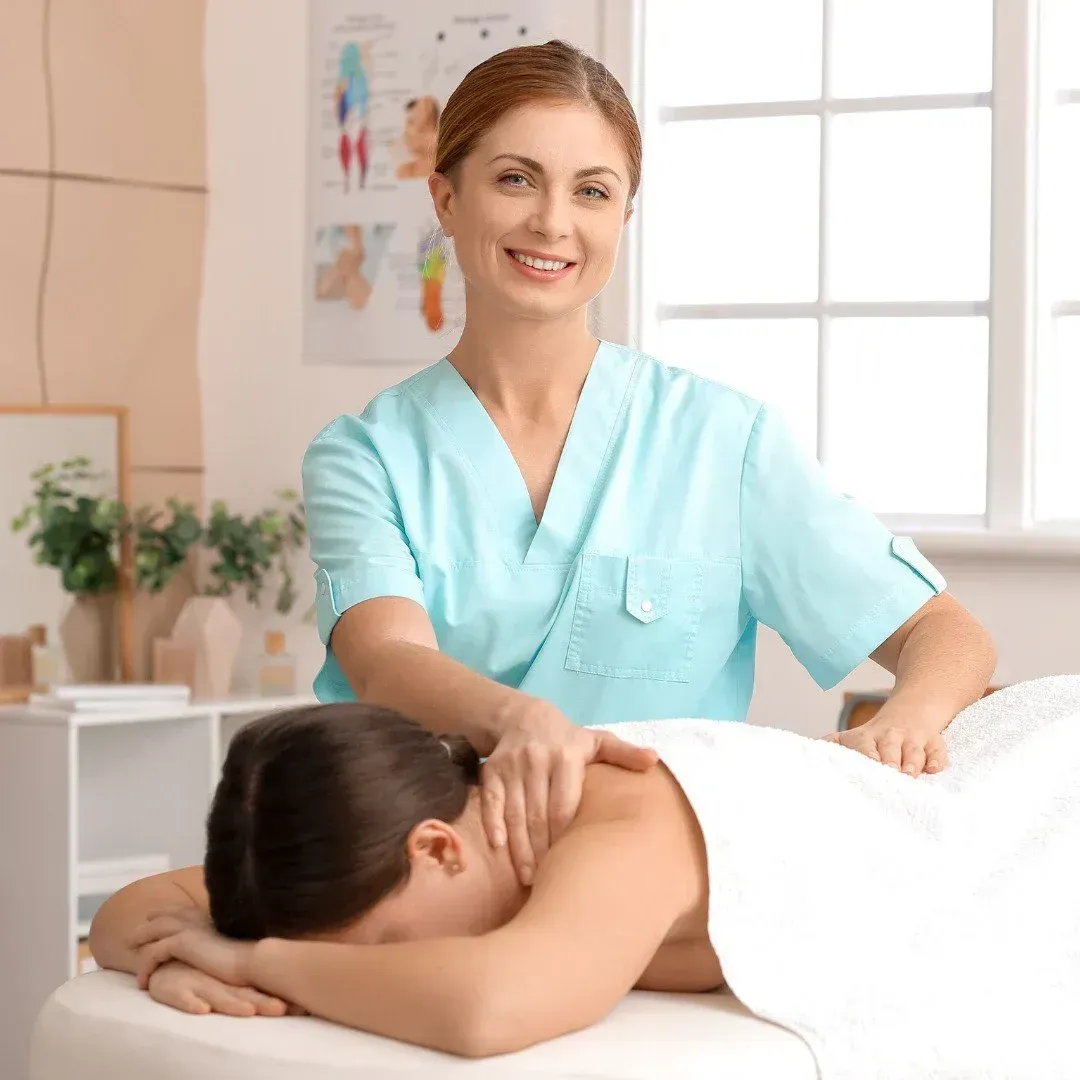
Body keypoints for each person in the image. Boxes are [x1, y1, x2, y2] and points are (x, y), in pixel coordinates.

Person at [300, 40, 997, 887]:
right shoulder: (364, 456)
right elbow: (383, 660)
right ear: (446, 199)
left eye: (592, 192)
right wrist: (523, 722)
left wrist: (905, 722)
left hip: (650, 876)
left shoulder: (722, 440)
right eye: (516, 179)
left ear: (624, 218)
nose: (552, 222)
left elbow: (943, 632)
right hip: (433, 870)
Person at [89, 702, 723, 1056]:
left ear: (438, 849)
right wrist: (175, 958)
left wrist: (251, 963)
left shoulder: (622, 826)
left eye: (384, 950)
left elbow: (488, 1008)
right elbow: (125, 911)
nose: (369, 976)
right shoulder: (376, 849)